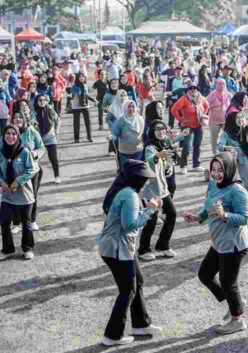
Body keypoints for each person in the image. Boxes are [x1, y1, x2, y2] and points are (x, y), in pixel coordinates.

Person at [97, 160, 163, 346]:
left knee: (138, 281)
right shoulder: (130, 196)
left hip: (118, 247)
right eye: (144, 178)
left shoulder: (123, 191)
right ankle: (112, 336)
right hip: (118, 249)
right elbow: (129, 225)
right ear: (138, 179)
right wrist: (149, 211)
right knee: (128, 290)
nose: (146, 182)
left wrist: (144, 205)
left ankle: (141, 324)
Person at [183, 153, 248, 335]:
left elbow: (245, 218)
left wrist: (225, 215)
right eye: (213, 170)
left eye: (220, 170)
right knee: (205, 274)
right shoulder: (213, 183)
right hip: (219, 242)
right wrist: (199, 217)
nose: (216, 173)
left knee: (228, 283)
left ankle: (238, 320)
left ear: (229, 169)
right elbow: (209, 205)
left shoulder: (237, 191)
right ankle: (235, 302)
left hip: (234, 245)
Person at [0, 125, 37, 261]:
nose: (10, 136)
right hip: (8, 195)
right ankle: (8, 250)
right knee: (4, 221)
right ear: (3, 135)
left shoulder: (24, 152)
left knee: (26, 223)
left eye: (14, 134)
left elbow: (32, 169)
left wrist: (18, 180)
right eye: (8, 133)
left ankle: (27, 248)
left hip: (24, 195)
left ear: (18, 136)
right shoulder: (0, 153)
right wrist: (1, 182)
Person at [138, 120, 179, 261]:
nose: (161, 131)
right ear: (152, 131)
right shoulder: (150, 147)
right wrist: (157, 156)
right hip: (150, 190)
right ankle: (143, 249)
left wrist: (168, 166)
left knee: (172, 214)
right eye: (158, 129)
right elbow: (149, 159)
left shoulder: (162, 145)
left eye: (163, 129)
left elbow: (167, 163)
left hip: (162, 189)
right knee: (151, 220)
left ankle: (163, 245)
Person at [11, 107, 46, 232]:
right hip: (15, 170)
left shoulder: (31, 131)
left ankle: (32, 221)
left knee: (32, 195)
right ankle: (16, 223)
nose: (18, 119)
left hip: (33, 170)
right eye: (15, 117)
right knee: (14, 195)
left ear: (25, 118)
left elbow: (42, 147)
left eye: (20, 117)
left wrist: (34, 154)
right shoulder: (9, 132)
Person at [170, 80, 209, 174]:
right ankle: (183, 166)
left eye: (195, 88)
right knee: (187, 146)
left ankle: (196, 165)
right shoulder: (183, 99)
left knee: (197, 145)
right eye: (190, 89)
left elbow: (207, 106)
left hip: (199, 125)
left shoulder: (201, 98)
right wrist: (181, 119)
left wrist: (203, 115)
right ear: (187, 90)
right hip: (187, 126)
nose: (193, 90)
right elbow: (173, 110)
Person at [33, 94, 61, 184]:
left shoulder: (50, 110)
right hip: (37, 139)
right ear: (36, 102)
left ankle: (57, 176)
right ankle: (33, 177)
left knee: (53, 158)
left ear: (46, 101)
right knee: (34, 159)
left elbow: (58, 120)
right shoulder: (33, 112)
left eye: (43, 100)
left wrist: (56, 131)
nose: (42, 102)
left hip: (50, 137)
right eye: (40, 100)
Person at [112, 100, 145, 168]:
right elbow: (115, 134)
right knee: (126, 172)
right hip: (124, 153)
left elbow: (144, 134)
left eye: (133, 107)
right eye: (129, 107)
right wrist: (112, 137)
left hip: (138, 151)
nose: (131, 109)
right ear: (125, 108)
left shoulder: (140, 119)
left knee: (137, 172)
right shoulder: (120, 120)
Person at [71, 72, 98, 143]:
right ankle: (76, 138)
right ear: (77, 78)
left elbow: (86, 95)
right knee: (76, 122)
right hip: (76, 106)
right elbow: (72, 96)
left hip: (85, 105)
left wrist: (93, 99)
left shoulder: (85, 85)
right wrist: (76, 91)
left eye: (83, 77)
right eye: (80, 77)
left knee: (88, 121)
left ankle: (89, 137)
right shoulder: (74, 86)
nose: (82, 78)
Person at [207, 78, 230, 155]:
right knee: (214, 137)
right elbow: (205, 104)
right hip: (214, 119)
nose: (221, 85)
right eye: (219, 84)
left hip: (225, 119)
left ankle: (227, 151)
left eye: (223, 84)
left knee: (228, 136)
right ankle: (215, 153)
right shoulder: (212, 94)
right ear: (216, 85)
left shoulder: (228, 94)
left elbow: (233, 105)